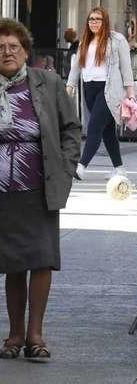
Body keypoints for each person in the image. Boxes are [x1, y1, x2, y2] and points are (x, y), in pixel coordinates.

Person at [1, 19, 80, 361]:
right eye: (1, 48)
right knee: (13, 263)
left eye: (13, 47)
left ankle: (35, 334)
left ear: (26, 51)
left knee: (41, 260)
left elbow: (71, 129)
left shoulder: (47, 82)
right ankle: (14, 335)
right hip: (4, 190)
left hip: (39, 185)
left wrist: (65, 169)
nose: (7, 53)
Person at [66, 6, 135, 180]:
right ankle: (119, 169)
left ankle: (81, 166)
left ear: (105, 21)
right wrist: (70, 85)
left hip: (109, 89)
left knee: (95, 126)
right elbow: (77, 66)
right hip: (89, 88)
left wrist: (130, 93)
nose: (94, 22)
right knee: (107, 131)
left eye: (98, 19)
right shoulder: (85, 41)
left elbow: (126, 68)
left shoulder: (117, 39)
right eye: (91, 19)